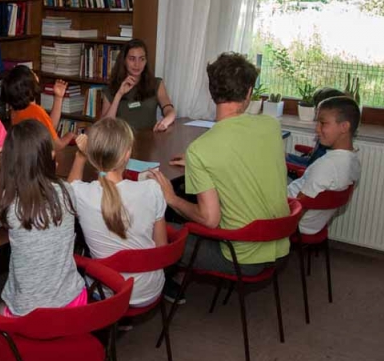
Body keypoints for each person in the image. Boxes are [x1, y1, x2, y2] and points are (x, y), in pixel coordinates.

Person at [149, 52, 290, 303]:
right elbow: (244, 158)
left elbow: (209, 219)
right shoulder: (271, 126)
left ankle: (157, 288)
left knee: (151, 226)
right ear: (249, 93)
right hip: (279, 245)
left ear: (212, 92)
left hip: (241, 257)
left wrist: (171, 198)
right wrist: (199, 164)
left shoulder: (202, 150)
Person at [0, 120, 87, 361]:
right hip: (74, 304)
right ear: (49, 157)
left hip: (29, 315)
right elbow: (70, 182)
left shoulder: (8, 204)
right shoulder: (67, 192)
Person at [67, 118, 168, 308]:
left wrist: (80, 156)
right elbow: (161, 247)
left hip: (108, 291)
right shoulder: (151, 189)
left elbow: (70, 187)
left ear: (91, 155)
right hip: (149, 289)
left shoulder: (82, 195)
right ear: (127, 154)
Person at [288, 96, 361, 235]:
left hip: (294, 220)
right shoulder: (353, 162)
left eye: (323, 123)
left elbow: (298, 205)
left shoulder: (326, 166)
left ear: (344, 127)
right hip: (314, 225)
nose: (317, 129)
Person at [102, 39, 176, 132]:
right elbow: (106, 125)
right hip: (123, 140)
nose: (137, 64)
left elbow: (169, 110)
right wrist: (119, 94)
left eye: (142, 59)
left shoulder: (156, 83)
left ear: (146, 61)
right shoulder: (111, 88)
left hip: (150, 139)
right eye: (132, 59)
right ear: (124, 60)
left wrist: (165, 121)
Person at [0, 65, 76, 151]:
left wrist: (58, 97)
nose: (34, 74)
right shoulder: (36, 111)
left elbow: (49, 128)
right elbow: (56, 145)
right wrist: (70, 135)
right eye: (31, 73)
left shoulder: (15, 111)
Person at [285, 87, 346, 169]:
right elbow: (310, 163)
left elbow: (309, 169)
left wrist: (285, 159)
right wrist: (286, 157)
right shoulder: (334, 139)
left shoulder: (327, 141)